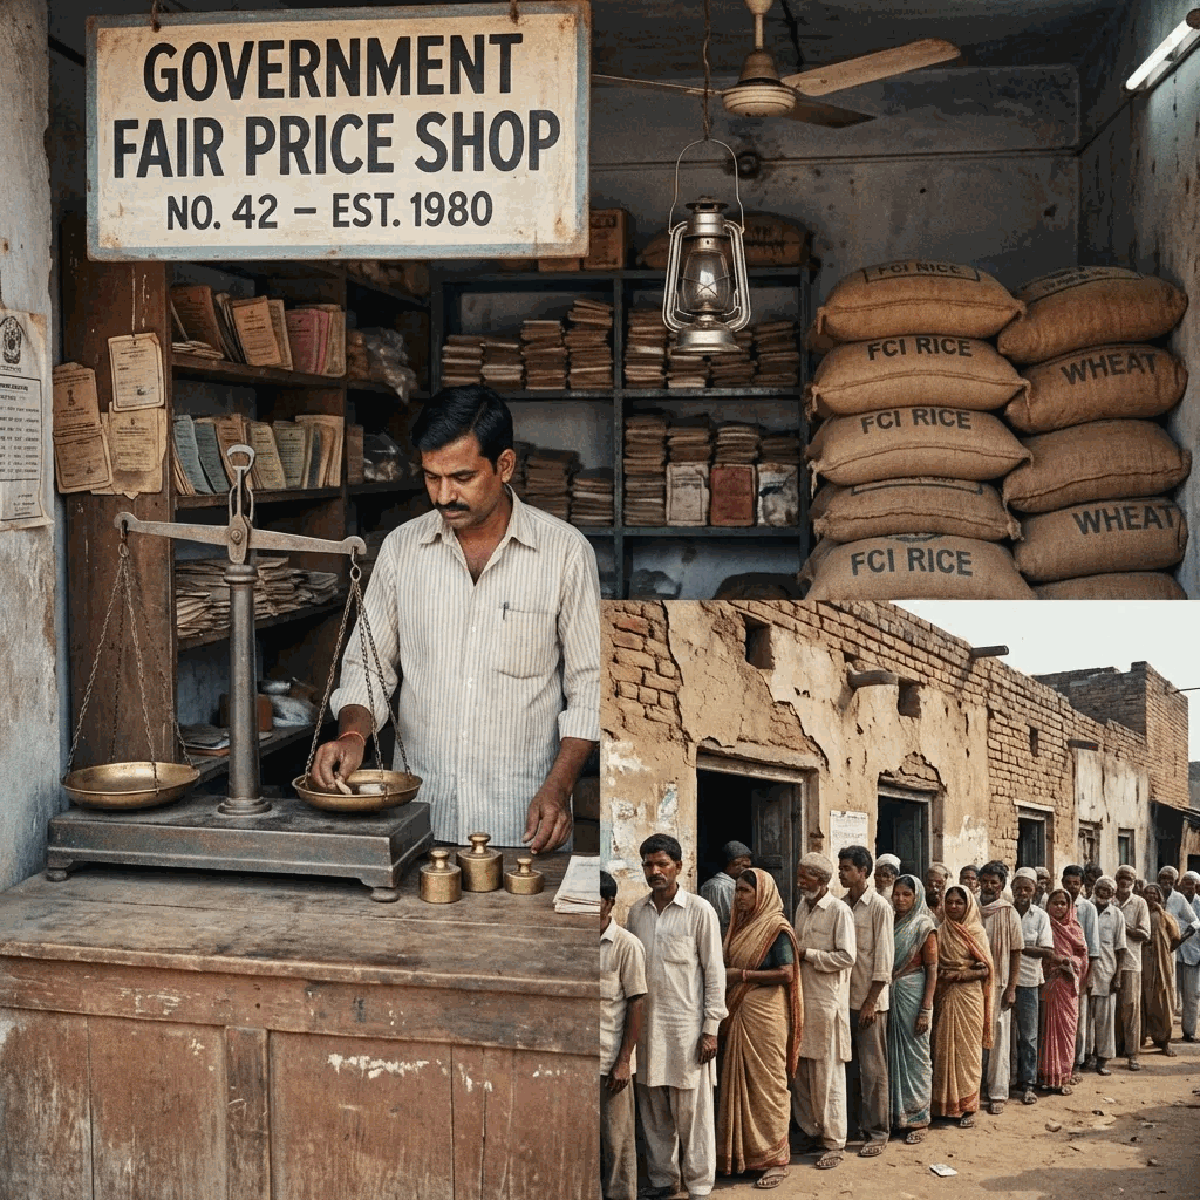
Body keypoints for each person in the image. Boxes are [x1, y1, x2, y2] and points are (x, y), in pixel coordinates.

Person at [317, 385, 600, 849]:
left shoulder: (565, 554)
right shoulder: (402, 550)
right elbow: (368, 666)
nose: (444, 495)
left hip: (522, 823)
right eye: (432, 477)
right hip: (416, 820)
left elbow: (589, 689)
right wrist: (352, 734)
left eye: (462, 477)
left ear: (504, 465)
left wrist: (560, 786)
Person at [627, 833, 726, 1200]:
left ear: (679, 867)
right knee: (653, 1111)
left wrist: (711, 1030)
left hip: (687, 1030)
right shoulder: (636, 912)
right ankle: (663, 1180)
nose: (655, 871)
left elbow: (715, 973)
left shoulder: (700, 911)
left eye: (662, 864)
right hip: (648, 1030)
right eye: (649, 865)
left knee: (693, 1114)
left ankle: (699, 1185)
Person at [716, 869, 801, 1190]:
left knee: (769, 1083)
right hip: (740, 1012)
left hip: (766, 1013)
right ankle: (742, 1157)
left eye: (745, 892)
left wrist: (742, 975)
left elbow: (786, 973)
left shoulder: (776, 928)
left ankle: (775, 1159)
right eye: (737, 891)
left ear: (761, 894)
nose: (739, 897)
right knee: (739, 1082)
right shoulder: (740, 927)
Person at [790, 852, 856, 1171]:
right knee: (802, 1071)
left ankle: (834, 1141)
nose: (801, 882)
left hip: (827, 1003)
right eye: (800, 875)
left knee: (827, 1073)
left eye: (807, 877)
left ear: (823, 881)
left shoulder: (839, 911)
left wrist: (810, 955)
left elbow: (847, 957)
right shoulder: (801, 907)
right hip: (803, 999)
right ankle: (810, 1131)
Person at [838, 845, 893, 1158]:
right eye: (841, 868)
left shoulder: (879, 907)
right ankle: (853, 1126)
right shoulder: (843, 904)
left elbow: (883, 962)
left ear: (863, 872)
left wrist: (871, 1003)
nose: (842, 873)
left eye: (847, 868)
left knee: (874, 1070)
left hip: (871, 1001)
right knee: (851, 1068)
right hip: (845, 999)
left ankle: (878, 1131)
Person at [931, 885, 994, 1128]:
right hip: (944, 997)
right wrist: (945, 975)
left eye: (959, 903)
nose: (954, 907)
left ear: (967, 905)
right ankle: (943, 1105)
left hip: (968, 999)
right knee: (944, 1050)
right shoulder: (940, 931)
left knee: (967, 1053)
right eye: (950, 903)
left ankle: (968, 1106)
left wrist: (958, 975)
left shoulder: (976, 932)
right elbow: (933, 966)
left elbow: (986, 968)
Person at [601, 870, 646, 1200]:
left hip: (609, 1062)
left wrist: (623, 1061)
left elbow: (636, 1003)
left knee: (617, 1146)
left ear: (609, 904)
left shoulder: (626, 945)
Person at [888, 874, 938, 1145]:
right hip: (891, 993)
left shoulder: (923, 926)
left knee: (916, 1056)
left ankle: (919, 1117)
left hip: (914, 993)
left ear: (916, 897)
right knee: (891, 1054)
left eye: (906, 895)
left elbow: (932, 969)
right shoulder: (889, 920)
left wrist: (926, 1009)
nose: (900, 899)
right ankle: (896, 1115)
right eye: (897, 893)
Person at [978, 861, 1023, 1115]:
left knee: (998, 1038)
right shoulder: (971, 907)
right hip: (972, 984)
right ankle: (974, 1090)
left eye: (993, 882)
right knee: (974, 1037)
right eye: (984, 881)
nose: (988, 886)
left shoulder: (1009, 912)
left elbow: (1016, 952)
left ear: (1002, 885)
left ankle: (997, 1092)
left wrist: (1012, 987)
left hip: (999, 983)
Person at [1037, 888, 1089, 1096]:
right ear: (1048, 905)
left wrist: (1070, 963)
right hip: (1048, 982)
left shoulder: (1075, 928)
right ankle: (1047, 1076)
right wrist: (1053, 964)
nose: (1059, 907)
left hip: (1068, 986)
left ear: (1069, 907)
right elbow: (1038, 952)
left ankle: (1064, 1075)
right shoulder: (1044, 925)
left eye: (1062, 904)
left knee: (1066, 1031)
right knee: (1046, 1030)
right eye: (1055, 903)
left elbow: (1083, 958)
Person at [1011, 867, 1054, 1104]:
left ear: (1035, 891)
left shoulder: (1040, 916)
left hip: (1028, 982)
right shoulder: (1006, 912)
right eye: (1019, 888)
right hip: (1004, 981)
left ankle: (1028, 1084)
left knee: (1028, 1036)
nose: (1023, 893)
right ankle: (1006, 1081)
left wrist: (1018, 947)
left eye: (1027, 888)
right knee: (1004, 1037)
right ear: (1012, 889)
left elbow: (1047, 951)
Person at [1088, 876, 1128, 1076]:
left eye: (1107, 890)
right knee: (1085, 1020)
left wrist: (1118, 976)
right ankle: (1085, 1057)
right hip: (1085, 972)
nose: (1103, 893)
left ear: (1113, 894)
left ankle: (1102, 1060)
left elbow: (1121, 949)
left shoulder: (1117, 915)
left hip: (1107, 972)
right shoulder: (1086, 909)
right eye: (1100, 889)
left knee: (1105, 1020)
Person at [1062, 865, 1100, 1077]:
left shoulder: (1088, 908)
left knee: (1080, 1018)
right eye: (1068, 883)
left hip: (1081, 969)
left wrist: (1090, 976)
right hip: (1058, 968)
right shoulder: (1054, 903)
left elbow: (1093, 946)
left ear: (1082, 885)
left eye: (1075, 883)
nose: (1071, 887)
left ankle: (1077, 1061)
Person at [1142, 883, 1188, 1057]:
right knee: (1143, 1000)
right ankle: (1140, 1040)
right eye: (1147, 893)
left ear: (1159, 897)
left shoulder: (1166, 916)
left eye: (1154, 893)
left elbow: (1176, 938)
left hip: (1162, 965)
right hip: (1142, 965)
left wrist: (1164, 952)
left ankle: (1163, 1042)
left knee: (1163, 1002)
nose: (1150, 896)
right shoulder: (1141, 914)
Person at [1114, 865, 1151, 1071]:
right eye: (1121, 877)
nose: (1124, 881)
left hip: (1130, 962)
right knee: (1111, 1007)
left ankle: (1132, 1053)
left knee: (1131, 1006)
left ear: (1134, 882)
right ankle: (1113, 1049)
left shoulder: (1139, 902)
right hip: (1108, 962)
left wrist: (1124, 928)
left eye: (1128, 878)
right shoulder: (1108, 899)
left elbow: (1145, 934)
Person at [1159, 866, 1200, 1010]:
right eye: (1163, 878)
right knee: (1164, 989)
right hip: (1162, 950)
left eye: (1170, 879)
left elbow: (1195, 922)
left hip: (1187, 951)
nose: (1166, 882)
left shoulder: (1184, 900)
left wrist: (1183, 937)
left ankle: (1188, 1031)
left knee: (1189, 994)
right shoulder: (1155, 896)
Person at [701, 841, 753, 940]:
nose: (748, 870)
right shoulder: (731, 887)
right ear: (734, 864)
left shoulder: (706, 885)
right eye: (745, 866)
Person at [1178, 871, 1200, 1042]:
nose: (1188, 887)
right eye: (1185, 883)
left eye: (1191, 884)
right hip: (1176, 954)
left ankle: (1189, 1031)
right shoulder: (1176, 901)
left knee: (1192, 995)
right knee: (1177, 994)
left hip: (1195, 954)